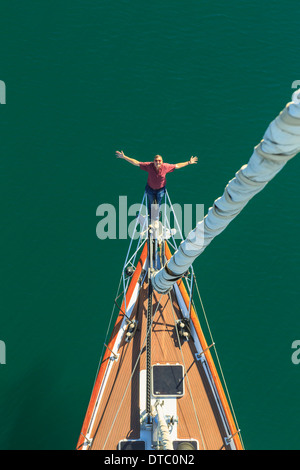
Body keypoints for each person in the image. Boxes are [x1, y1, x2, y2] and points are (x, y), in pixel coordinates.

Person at [115, 150, 198, 220]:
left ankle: (157, 214)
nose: (158, 162)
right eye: (156, 160)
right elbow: (136, 163)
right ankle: (151, 216)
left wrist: (188, 162)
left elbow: (177, 165)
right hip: (150, 188)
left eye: (159, 161)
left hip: (160, 189)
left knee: (158, 203)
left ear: (162, 162)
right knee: (151, 203)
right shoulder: (149, 166)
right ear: (153, 161)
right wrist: (124, 157)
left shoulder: (166, 167)